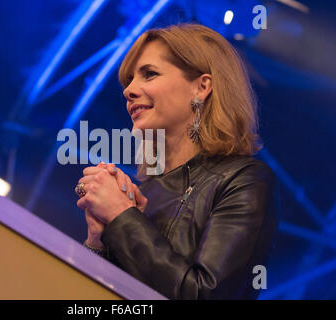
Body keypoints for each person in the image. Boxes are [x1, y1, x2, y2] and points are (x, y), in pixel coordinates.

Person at [75, 23, 278, 300]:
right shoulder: (144, 194)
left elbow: (204, 294)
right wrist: (98, 243)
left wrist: (122, 216)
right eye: (129, 81)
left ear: (202, 86)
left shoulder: (245, 181)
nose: (129, 90)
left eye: (149, 74)